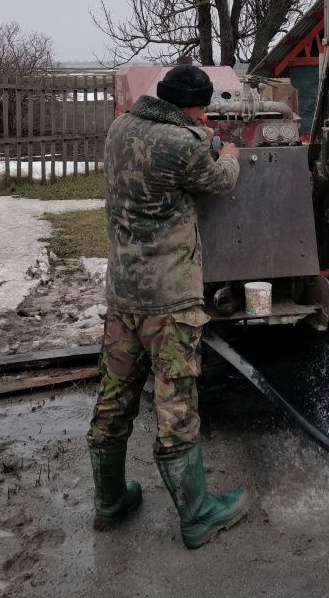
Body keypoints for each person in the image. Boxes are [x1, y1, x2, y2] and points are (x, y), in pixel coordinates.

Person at [87, 64, 248, 548]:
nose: (206, 116)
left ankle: (110, 501)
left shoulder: (120, 128)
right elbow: (220, 180)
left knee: (115, 398)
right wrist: (232, 150)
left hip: (124, 296)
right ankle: (198, 515)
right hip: (169, 302)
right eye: (203, 109)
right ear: (192, 108)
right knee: (175, 405)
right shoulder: (185, 144)